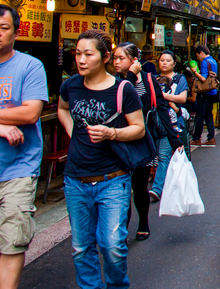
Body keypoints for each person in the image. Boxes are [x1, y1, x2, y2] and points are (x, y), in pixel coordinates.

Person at [58, 30, 145, 289]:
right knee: (81, 247)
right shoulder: (71, 85)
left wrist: (112, 133)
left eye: (88, 54)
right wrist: (73, 130)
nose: (81, 60)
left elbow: (138, 128)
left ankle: (118, 286)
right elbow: (63, 108)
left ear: (104, 56)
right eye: (77, 54)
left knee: (112, 246)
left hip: (113, 178)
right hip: (76, 179)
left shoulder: (122, 89)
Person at [0, 4, 47, 289]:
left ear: (16, 32)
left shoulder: (30, 66)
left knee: (13, 240)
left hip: (19, 168)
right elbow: (17, 112)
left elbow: (29, 113)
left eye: (3, 28)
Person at [113, 43, 181, 241]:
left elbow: (161, 108)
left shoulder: (149, 81)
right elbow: (117, 103)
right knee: (121, 187)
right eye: (115, 58)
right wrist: (130, 77)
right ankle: (122, 229)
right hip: (118, 141)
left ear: (134, 61)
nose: (116, 62)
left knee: (140, 186)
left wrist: (174, 138)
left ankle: (143, 221)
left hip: (141, 142)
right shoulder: (114, 81)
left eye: (121, 58)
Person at [153, 50, 190, 181]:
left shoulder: (179, 79)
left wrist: (160, 95)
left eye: (168, 61)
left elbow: (182, 98)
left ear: (174, 63)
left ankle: (157, 188)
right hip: (154, 121)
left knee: (163, 154)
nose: (164, 63)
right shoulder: (153, 79)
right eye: (162, 60)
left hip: (172, 122)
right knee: (156, 155)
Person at [190, 45, 218, 147]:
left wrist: (195, 72)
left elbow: (203, 79)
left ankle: (197, 138)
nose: (198, 58)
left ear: (202, 53)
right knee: (208, 115)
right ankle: (211, 138)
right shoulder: (213, 61)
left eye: (198, 56)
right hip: (212, 91)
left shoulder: (205, 62)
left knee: (200, 116)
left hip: (205, 92)